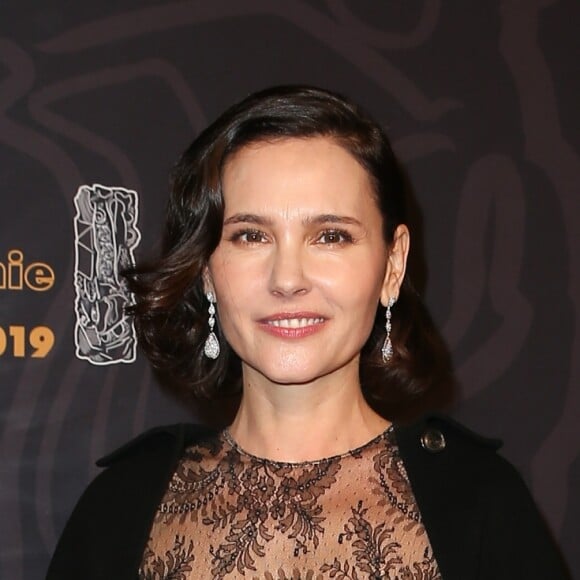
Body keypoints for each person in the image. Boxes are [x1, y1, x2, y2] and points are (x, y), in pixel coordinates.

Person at [46, 86, 569, 579]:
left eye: (330, 236)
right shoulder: (118, 511)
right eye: (251, 235)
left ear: (392, 266)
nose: (288, 279)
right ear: (206, 269)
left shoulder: (481, 504)